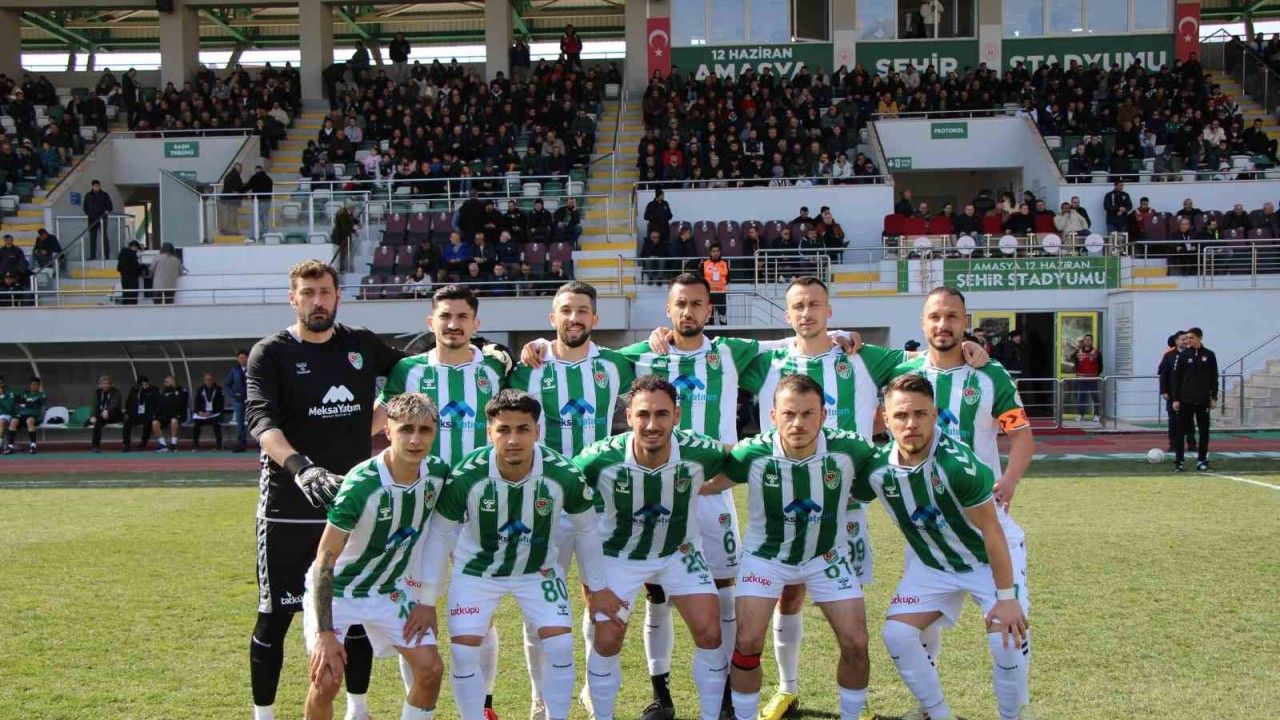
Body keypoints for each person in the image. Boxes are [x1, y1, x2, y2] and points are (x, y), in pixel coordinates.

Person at [738, 278, 986, 720]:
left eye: (816, 305)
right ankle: (787, 688)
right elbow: (711, 354)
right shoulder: (768, 361)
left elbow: (928, 361)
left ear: (830, 311)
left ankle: (857, 701)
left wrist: (968, 348)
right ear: (787, 314)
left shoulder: (861, 357)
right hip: (783, 505)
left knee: (851, 613)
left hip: (848, 506)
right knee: (788, 597)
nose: (808, 313)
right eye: (799, 306)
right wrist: (662, 336)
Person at [245, 259, 407, 720]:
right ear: (292, 298)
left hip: (350, 506)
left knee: (352, 614)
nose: (318, 301)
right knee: (275, 616)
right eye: (308, 293)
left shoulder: (360, 344)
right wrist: (301, 469)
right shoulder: (270, 353)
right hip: (288, 509)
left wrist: (486, 349)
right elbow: (261, 420)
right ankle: (264, 716)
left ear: (338, 296)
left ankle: (358, 709)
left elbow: (414, 370)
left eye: (325, 292)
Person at [414, 390, 620, 720]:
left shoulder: (563, 473)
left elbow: (587, 529)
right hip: (478, 571)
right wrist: (426, 600)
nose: (513, 439)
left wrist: (596, 588)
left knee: (560, 646)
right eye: (503, 430)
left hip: (538, 571)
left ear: (537, 431)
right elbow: (439, 534)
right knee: (463, 651)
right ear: (489, 433)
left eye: (523, 429)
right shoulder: (467, 474)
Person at [887, 287, 1035, 717]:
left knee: (1005, 637)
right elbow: (844, 349)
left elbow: (1021, 435)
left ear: (965, 323)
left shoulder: (990, 374)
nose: (943, 324)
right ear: (922, 323)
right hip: (930, 534)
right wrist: (846, 336)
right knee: (913, 631)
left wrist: (1009, 480)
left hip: (982, 526)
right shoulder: (903, 370)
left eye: (952, 316)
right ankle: (927, 708)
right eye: (935, 316)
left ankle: (1015, 712)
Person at [699, 374, 878, 720]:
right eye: (789, 414)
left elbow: (887, 472)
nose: (798, 423)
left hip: (826, 557)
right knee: (747, 642)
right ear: (773, 416)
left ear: (823, 415)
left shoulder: (850, 448)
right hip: (765, 558)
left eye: (808, 414)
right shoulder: (753, 452)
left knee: (856, 642)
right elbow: (709, 484)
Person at [856, 374, 1030, 720]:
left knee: (1007, 640)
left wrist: (1007, 599)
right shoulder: (876, 469)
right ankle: (938, 715)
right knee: (897, 635)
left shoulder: (956, 465)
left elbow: (992, 531)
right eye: (901, 415)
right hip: (934, 562)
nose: (911, 424)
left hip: (986, 558)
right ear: (885, 420)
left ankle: (1014, 715)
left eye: (920, 414)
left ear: (934, 415)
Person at [373, 283, 511, 710]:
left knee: (479, 613)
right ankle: (417, 704)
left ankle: (484, 704)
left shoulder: (494, 369)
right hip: (419, 506)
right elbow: (380, 421)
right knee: (415, 609)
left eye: (462, 316)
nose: (453, 324)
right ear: (430, 322)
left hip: (478, 505)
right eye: (445, 316)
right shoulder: (408, 370)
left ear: (476, 323)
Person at [506, 282, 636, 714]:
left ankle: (590, 689)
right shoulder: (530, 367)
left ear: (595, 318)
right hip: (545, 506)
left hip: (602, 506)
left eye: (582, 311)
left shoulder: (615, 364)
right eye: (566, 310)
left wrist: (660, 336)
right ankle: (539, 696)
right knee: (539, 604)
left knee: (602, 602)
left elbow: (653, 386)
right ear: (552, 318)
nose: (574, 318)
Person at [574, 376, 729, 720]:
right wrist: (591, 588)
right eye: (643, 414)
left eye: (662, 414)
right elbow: (569, 504)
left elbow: (741, 461)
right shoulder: (599, 459)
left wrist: (711, 486)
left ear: (677, 415)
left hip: (679, 552)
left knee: (709, 630)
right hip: (619, 555)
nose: (652, 424)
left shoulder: (699, 451)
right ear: (629, 415)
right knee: (607, 636)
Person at [303, 392, 447, 720]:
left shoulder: (438, 473)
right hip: (339, 591)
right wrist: (324, 634)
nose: (415, 439)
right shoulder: (361, 485)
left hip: (388, 591)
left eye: (424, 430)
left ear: (434, 433)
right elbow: (325, 558)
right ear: (388, 431)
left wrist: (426, 600)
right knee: (327, 679)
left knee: (430, 669)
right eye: (406, 429)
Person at [1170, 327, 1218, 472]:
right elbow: (1176, 379)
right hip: (1185, 400)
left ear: (1199, 338)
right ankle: (1179, 462)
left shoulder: (1209, 355)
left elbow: (1214, 377)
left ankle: (1201, 461)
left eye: (1191, 338)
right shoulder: (1183, 355)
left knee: (1204, 432)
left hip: (1202, 400)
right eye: (1186, 338)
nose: (1188, 340)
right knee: (1181, 432)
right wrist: (1175, 399)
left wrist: (1214, 397)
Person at [1158, 331, 1196, 454]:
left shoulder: (1192, 354)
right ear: (1176, 341)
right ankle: (1173, 444)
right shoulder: (1169, 355)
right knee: (1173, 420)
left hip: (1189, 393)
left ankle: (1191, 444)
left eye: (1186, 339)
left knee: (1189, 420)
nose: (1185, 341)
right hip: (1172, 392)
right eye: (1182, 339)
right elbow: (1163, 374)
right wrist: (1163, 391)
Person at [4, 376, 46, 454]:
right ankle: (10, 446)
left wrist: (24, 403)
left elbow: (36, 404)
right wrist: (27, 403)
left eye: (36, 384)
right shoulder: (25, 393)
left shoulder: (42, 394)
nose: (33, 386)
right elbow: (16, 400)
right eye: (32, 384)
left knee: (29, 420)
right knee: (13, 421)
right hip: (22, 415)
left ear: (39, 385)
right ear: (30, 385)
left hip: (35, 416)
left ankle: (33, 446)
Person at [1068, 334, 1102, 421]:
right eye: (1086, 339)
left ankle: (1096, 415)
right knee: (1081, 397)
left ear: (1092, 341)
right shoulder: (1078, 351)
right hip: (1081, 379)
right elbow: (1070, 359)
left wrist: (1095, 375)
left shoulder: (1097, 352)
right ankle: (1080, 414)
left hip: (1093, 379)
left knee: (1095, 397)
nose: (1087, 341)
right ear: (1083, 341)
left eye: (1089, 339)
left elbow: (1100, 366)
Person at [152, 374, 189, 452]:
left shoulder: (182, 390)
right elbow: (160, 404)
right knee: (155, 423)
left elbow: (181, 403)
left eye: (167, 382)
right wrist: (156, 414)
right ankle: (163, 445)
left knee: (174, 420)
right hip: (165, 415)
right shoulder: (164, 391)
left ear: (173, 382)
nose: (165, 384)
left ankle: (173, 444)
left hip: (177, 414)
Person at [122, 375, 159, 452]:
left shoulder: (153, 389)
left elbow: (157, 402)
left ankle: (143, 442)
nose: (144, 385)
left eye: (145, 383)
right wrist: (127, 411)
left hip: (148, 414)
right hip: (136, 413)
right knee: (127, 424)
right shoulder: (134, 389)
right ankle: (126, 444)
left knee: (148, 423)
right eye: (142, 384)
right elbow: (128, 401)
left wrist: (147, 390)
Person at [86, 374, 123, 452]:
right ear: (100, 385)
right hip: (102, 416)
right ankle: (95, 446)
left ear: (110, 384)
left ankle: (126, 445)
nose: (105, 386)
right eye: (103, 384)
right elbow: (95, 405)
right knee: (97, 423)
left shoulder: (115, 392)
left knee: (100, 418)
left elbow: (115, 404)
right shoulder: (98, 392)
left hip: (114, 415)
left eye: (107, 384)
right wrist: (93, 416)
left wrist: (107, 410)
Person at [191, 373, 226, 451]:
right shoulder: (200, 390)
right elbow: (196, 403)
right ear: (204, 381)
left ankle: (219, 445)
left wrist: (212, 412)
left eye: (210, 379)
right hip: (202, 414)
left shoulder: (219, 389)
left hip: (214, 414)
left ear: (213, 380)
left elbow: (221, 404)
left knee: (216, 424)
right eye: (206, 380)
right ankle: (195, 446)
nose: (208, 381)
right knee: (196, 424)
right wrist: (199, 412)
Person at [225, 349, 250, 452]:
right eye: (240, 358)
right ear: (237, 359)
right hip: (239, 400)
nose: (243, 360)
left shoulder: (254, 368)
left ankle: (260, 445)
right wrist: (234, 394)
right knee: (240, 423)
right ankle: (241, 444)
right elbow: (227, 385)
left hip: (252, 400)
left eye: (245, 358)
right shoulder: (234, 370)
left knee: (255, 422)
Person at [84, 179, 114, 260]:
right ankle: (92, 256)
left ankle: (107, 255)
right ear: (92, 187)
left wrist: (106, 211)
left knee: (104, 237)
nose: (97, 187)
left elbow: (110, 206)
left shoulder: (105, 195)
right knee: (92, 238)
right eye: (95, 186)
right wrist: (89, 213)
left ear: (100, 186)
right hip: (92, 219)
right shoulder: (88, 195)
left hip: (102, 218)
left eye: (98, 186)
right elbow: (85, 206)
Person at [701, 244, 729, 326]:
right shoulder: (704, 264)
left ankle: (724, 331)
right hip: (709, 294)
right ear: (710, 252)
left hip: (721, 293)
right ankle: (709, 333)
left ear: (720, 252)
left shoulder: (725, 263)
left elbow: (728, 278)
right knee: (709, 316)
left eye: (717, 251)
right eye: (713, 251)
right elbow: (701, 278)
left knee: (723, 315)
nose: (716, 253)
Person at [247, 165, 274, 239]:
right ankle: (265, 233)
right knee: (264, 216)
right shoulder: (268, 178)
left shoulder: (255, 178)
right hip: (266, 200)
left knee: (256, 216)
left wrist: (240, 192)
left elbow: (248, 186)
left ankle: (254, 234)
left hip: (258, 200)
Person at [221, 163, 246, 235]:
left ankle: (227, 229)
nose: (241, 170)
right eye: (241, 168)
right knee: (233, 214)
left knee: (231, 214)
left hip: (229, 198)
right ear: (238, 168)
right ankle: (232, 230)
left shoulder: (230, 174)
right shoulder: (235, 176)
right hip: (232, 199)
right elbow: (236, 188)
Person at [117, 240, 144, 305]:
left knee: (126, 297)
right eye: (137, 249)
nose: (137, 251)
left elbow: (118, 268)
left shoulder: (122, 253)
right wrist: (142, 270)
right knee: (133, 299)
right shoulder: (132, 254)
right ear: (134, 247)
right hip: (133, 280)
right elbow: (136, 267)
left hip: (124, 279)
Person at [0, 376, 15, 454]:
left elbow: (9, 407)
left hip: (6, 414)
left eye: (0, 383)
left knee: (2, 421)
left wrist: (1, 396)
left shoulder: (9, 392)